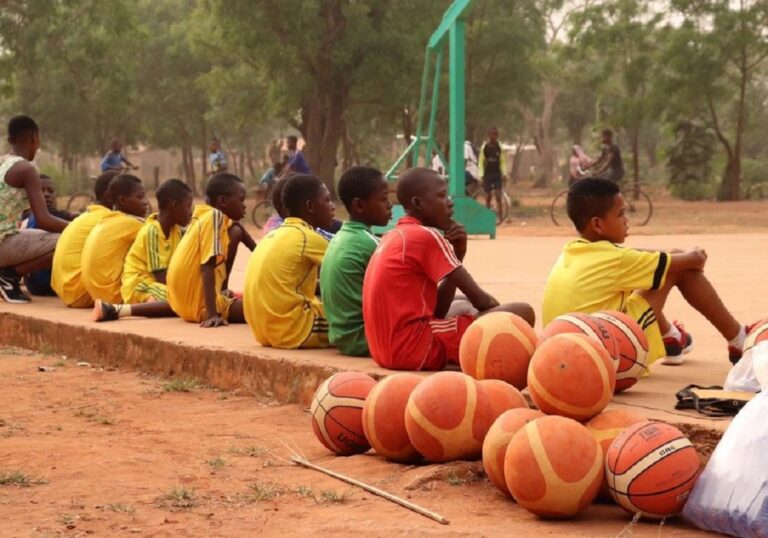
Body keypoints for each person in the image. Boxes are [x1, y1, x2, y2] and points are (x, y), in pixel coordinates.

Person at [542, 178, 750, 368]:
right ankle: (739, 340)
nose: (627, 220)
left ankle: (671, 339)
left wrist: (672, 256)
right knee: (677, 268)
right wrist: (695, 255)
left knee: (650, 273)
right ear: (597, 224)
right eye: (621, 214)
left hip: (567, 360)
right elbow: (692, 261)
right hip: (610, 358)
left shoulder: (574, 252)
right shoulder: (617, 260)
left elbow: (636, 258)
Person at [362, 167, 535, 371]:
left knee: (461, 303)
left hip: (384, 351)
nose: (450, 203)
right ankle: (467, 359)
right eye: (442, 196)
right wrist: (495, 320)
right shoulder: (426, 236)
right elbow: (483, 301)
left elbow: (438, 310)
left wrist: (457, 255)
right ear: (418, 203)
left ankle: (452, 356)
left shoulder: (394, 235)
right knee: (522, 312)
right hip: (412, 350)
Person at [243, 174, 336, 349]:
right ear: (310, 206)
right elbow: (347, 266)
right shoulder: (307, 237)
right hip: (293, 329)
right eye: (328, 200)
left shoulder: (274, 234)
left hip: (262, 331)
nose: (333, 207)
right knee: (352, 322)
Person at [92, 179, 194, 321]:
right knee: (182, 298)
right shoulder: (152, 231)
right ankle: (117, 310)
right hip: (138, 284)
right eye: (188, 206)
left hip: (153, 285)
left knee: (188, 297)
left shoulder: (176, 231)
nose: (191, 212)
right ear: (175, 206)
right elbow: (160, 276)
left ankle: (152, 305)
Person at [320, 166, 392, 356]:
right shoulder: (370, 244)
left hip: (343, 338)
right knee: (460, 309)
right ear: (359, 205)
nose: (390, 205)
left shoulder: (340, 236)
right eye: (384, 199)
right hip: (364, 339)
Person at [166, 172, 251, 327]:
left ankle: (222, 293)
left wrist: (239, 227)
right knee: (263, 309)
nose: (244, 205)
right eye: (241, 199)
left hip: (181, 305)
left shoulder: (203, 216)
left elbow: (243, 236)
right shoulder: (215, 216)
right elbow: (207, 265)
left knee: (236, 230)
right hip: (201, 306)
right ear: (223, 201)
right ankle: (216, 306)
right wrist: (212, 314)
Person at [0, 115, 69, 303]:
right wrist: (79, 228)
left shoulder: (3, 163)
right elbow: (45, 219)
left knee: (36, 233)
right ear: (34, 139)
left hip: (6, 236)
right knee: (67, 242)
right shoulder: (27, 169)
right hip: (2, 243)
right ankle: (9, 277)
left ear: (9, 140)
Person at [51, 171, 118, 307]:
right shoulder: (107, 219)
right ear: (110, 196)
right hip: (81, 292)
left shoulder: (86, 216)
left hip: (65, 291)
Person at [80, 175, 149, 303]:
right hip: (114, 295)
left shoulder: (107, 219)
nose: (145, 202)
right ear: (122, 200)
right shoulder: (132, 224)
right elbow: (159, 233)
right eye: (140, 197)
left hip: (97, 296)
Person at [22, 175, 77, 296]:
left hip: (33, 285)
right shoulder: (38, 218)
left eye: (50, 191)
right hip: (42, 282)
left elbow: (71, 215)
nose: (47, 194)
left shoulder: (56, 215)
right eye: (41, 190)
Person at [478, 127, 507, 215]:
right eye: (493, 134)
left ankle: (501, 216)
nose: (495, 136)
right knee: (488, 196)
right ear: (489, 135)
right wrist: (481, 176)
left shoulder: (499, 147)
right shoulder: (484, 147)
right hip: (487, 174)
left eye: (496, 134)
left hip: (497, 174)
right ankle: (487, 215)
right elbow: (480, 162)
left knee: (498, 195)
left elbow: (503, 161)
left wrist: (504, 173)